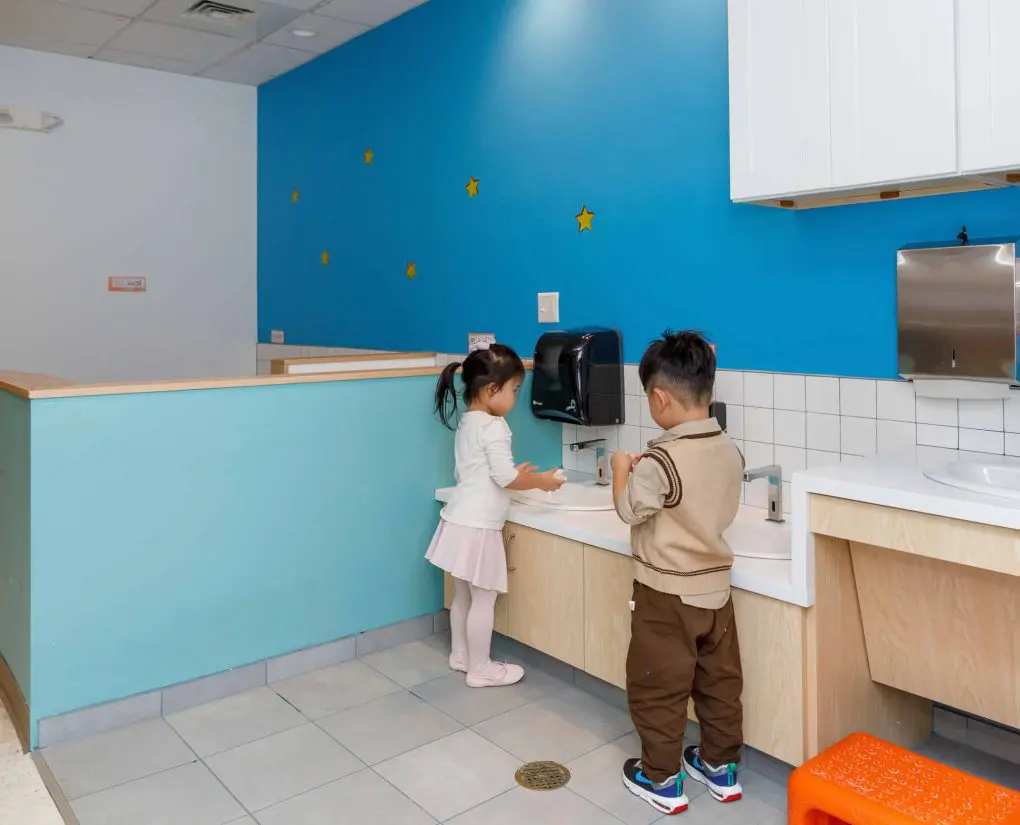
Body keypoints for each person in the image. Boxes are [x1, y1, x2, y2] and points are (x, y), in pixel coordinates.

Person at [611, 330, 745, 815]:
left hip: (666, 595)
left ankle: (661, 778)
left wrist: (621, 468)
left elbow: (629, 510)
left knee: (658, 686)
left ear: (660, 397)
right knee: (719, 684)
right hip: (717, 595)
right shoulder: (729, 449)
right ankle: (720, 767)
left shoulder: (660, 459)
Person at [426, 341, 564, 688]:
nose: (515, 398)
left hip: (458, 518)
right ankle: (481, 668)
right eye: (514, 390)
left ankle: (461, 655)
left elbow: (482, 472)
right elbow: (505, 478)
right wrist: (541, 481)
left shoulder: (469, 422)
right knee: (484, 599)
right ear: (491, 390)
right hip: (479, 526)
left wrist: (517, 474)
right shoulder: (495, 426)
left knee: (463, 596)